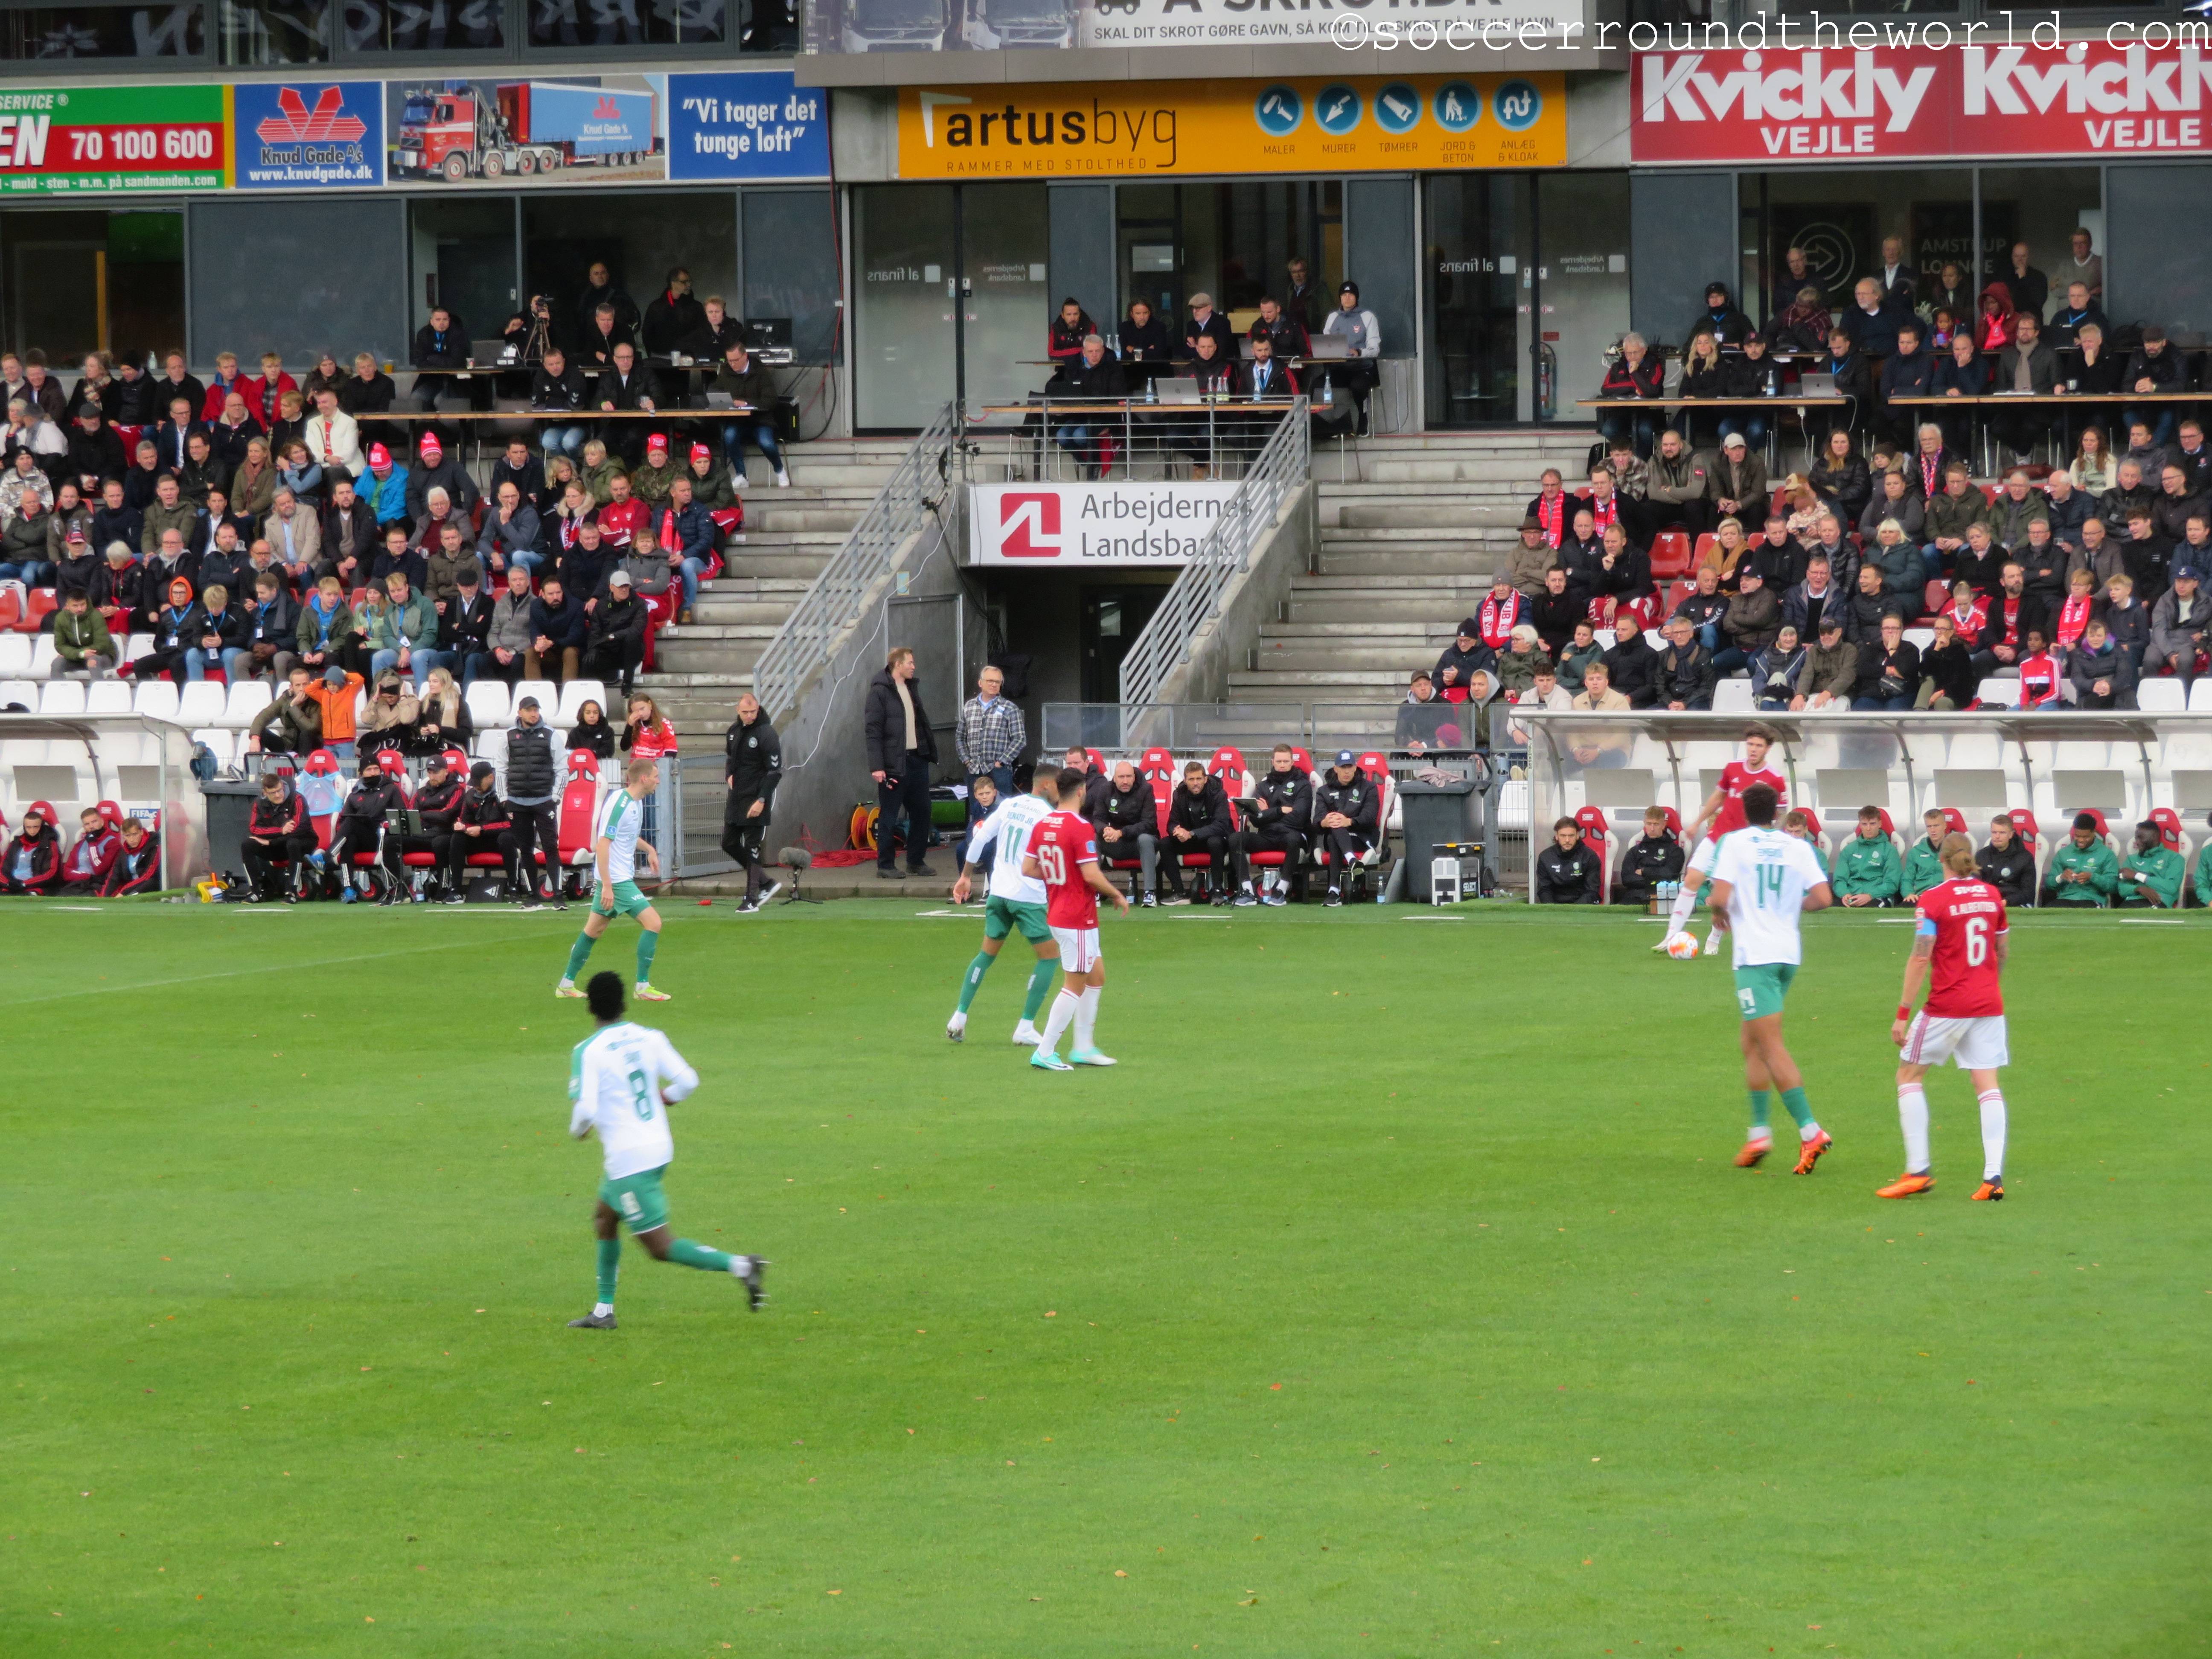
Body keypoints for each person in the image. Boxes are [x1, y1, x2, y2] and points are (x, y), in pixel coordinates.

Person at [564, 971, 765, 1332]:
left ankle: (742, 1266)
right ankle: (604, 1311)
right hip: (657, 1146)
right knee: (605, 1218)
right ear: (624, 1003)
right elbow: (688, 1081)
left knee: (659, 1246)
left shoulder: (588, 1051)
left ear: (590, 1007)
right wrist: (666, 1097)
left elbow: (586, 1112)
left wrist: (578, 1132)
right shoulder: (650, 1037)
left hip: (630, 1160)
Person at [1704, 783, 1836, 1173]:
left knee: (1771, 1045)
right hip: (1787, 955)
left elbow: (1719, 896)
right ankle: (1759, 1133)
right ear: (1777, 813)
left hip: (1755, 958)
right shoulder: (1797, 847)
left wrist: (1719, 913)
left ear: (1744, 811)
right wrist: (1790, 907)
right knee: (1752, 1043)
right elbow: (1824, 898)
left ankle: (1811, 1131)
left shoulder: (1735, 843)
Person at [1877, 832, 2012, 1202]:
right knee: (1987, 1084)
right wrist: (1987, 985)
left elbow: (1922, 956)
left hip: (1948, 1005)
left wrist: (1903, 1014)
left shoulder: (1933, 900)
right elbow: (2002, 950)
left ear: (1942, 860)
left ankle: (1918, 1171)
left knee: (1909, 1075)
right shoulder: (1992, 896)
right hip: (1988, 1003)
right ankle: (1993, 1177)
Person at [1019, 767, 1129, 1071]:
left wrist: (1060, 877)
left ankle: (1083, 1047)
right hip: (1076, 916)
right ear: (1081, 791)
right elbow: (1091, 874)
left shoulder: (1043, 824)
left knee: (1096, 977)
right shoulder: (1080, 827)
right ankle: (1045, 1051)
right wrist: (1116, 894)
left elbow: (1028, 868)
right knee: (1075, 984)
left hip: (1060, 911)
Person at [948, 771, 1061, 1046]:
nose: (1062, 791)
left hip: (999, 893)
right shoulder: (1048, 815)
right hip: (1028, 896)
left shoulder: (1009, 804)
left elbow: (980, 837)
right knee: (1049, 957)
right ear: (1047, 784)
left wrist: (965, 876)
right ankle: (1026, 1026)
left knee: (986, 954)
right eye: (1059, 785)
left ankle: (959, 1016)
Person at [1659, 723, 1786, 955]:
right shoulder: (1732, 769)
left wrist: (1772, 838)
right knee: (1692, 879)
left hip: (1746, 845)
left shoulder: (1775, 779)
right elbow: (1718, 797)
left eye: (1759, 745)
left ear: (1768, 748)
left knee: (1728, 895)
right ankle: (1670, 937)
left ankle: (1714, 939)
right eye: (1750, 744)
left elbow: (1780, 813)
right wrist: (1697, 823)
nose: (1753, 749)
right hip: (1718, 837)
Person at [557, 757, 671, 1001]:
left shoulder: (636, 803)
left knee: (593, 931)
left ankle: (566, 984)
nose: (658, 781)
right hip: (617, 881)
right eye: (656, 777)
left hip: (616, 878)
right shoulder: (620, 803)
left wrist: (649, 849)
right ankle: (642, 987)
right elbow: (603, 844)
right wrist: (607, 885)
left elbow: (627, 836)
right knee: (654, 923)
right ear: (644, 779)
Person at [721, 691, 783, 914]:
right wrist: (729, 775)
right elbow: (730, 758)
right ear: (738, 710)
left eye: (753, 712)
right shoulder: (733, 732)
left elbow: (775, 772)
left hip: (757, 797)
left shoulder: (767, 733)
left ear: (758, 709)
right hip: (737, 797)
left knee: (752, 846)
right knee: (728, 843)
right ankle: (766, 883)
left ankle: (751, 898)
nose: (750, 716)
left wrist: (762, 800)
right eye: (745, 712)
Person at [1230, 743, 1309, 906]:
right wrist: (1280, 811)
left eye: (1286, 761)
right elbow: (1255, 819)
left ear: (1292, 762)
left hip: (1290, 834)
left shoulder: (1303, 785)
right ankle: (1247, 891)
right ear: (1273, 762)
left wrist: (1267, 812)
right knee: (1235, 839)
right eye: (1279, 761)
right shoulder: (1264, 785)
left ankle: (1281, 890)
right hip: (1267, 835)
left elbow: (1299, 819)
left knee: (1294, 839)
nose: (1282, 765)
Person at [711, 339, 788, 487]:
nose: (732, 364)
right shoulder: (726, 372)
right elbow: (715, 390)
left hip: (761, 420)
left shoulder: (760, 372)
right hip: (737, 420)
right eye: (729, 361)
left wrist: (746, 403)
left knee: (766, 443)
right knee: (729, 436)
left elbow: (771, 400)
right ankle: (741, 475)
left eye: (735, 360)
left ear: (745, 356)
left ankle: (780, 471)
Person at [1161, 760, 1238, 904]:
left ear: (1206, 779)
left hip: (1215, 839)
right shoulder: (1179, 795)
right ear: (1185, 781)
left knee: (1215, 842)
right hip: (1191, 840)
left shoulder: (1219, 794)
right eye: (1191, 779)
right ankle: (1179, 892)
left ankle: (1217, 890)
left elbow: (1221, 825)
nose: (1196, 783)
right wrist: (1177, 831)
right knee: (1165, 844)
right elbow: (1172, 823)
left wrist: (1191, 834)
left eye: (1199, 779)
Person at [1311, 750, 1380, 908]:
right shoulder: (1324, 791)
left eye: (1350, 767)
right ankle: (1352, 861)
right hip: (1336, 837)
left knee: (1334, 835)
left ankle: (1333, 892)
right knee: (1335, 829)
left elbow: (1370, 817)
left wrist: (1349, 821)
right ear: (1336, 769)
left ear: (1355, 768)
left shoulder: (1369, 788)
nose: (1347, 771)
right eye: (1343, 767)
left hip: (1361, 837)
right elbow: (1317, 821)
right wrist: (1325, 822)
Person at [956, 664, 1025, 798]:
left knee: (1001, 808)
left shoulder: (1010, 708)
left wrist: (1002, 762)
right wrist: (967, 761)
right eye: (990, 681)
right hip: (974, 770)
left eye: (997, 682)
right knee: (977, 808)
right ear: (980, 683)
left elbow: (1020, 739)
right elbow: (960, 737)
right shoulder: (969, 706)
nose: (994, 685)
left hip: (999, 772)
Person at [1594, 332, 1663, 458]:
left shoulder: (1655, 365)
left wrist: (1634, 373)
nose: (1631, 357)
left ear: (1644, 351)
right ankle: (1628, 454)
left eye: (1635, 353)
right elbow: (1606, 389)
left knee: (1645, 431)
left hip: (1648, 413)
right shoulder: (1617, 367)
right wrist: (1632, 387)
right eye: (1628, 353)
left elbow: (1651, 391)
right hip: (1621, 413)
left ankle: (1644, 460)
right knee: (1609, 430)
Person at [2146, 563, 2208, 690]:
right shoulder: (2165, 600)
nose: (2181, 585)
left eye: (2186, 582)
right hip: (2163, 641)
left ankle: (2183, 697)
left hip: (2187, 642)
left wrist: (2204, 633)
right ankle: (2148, 696)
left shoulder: (2206, 602)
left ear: (2195, 584)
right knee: (2150, 659)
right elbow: (2159, 629)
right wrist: (2169, 654)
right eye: (2178, 581)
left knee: (2185, 660)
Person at [2040, 812, 2118, 907]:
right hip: (2065, 899)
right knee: (2047, 913)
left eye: (2086, 837)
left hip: (2092, 900)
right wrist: (2061, 877)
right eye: (2077, 836)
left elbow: (2113, 886)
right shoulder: (2063, 853)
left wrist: (2092, 877)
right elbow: (2049, 884)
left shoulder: (2107, 854)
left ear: (2094, 833)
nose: (2081, 840)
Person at [1615, 807, 1684, 908]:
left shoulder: (1675, 851)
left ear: (1663, 825)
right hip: (1634, 896)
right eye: (1649, 824)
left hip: (1663, 897)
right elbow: (1627, 879)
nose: (1652, 828)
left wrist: (1645, 872)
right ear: (1645, 824)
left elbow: (1670, 875)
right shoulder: (1634, 851)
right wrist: (1656, 879)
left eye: (1656, 824)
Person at [2115, 819, 2182, 909]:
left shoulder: (2175, 858)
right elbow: (2122, 889)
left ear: (2154, 837)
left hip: (2158, 901)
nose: (2137, 842)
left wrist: (2137, 876)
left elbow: (2171, 888)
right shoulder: (2131, 860)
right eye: (2136, 838)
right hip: (2131, 902)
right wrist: (2139, 889)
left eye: (2141, 838)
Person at [1534, 816, 1601, 904]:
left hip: (1583, 906)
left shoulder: (1590, 856)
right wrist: (1552, 909)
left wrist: (1574, 909)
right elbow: (1544, 889)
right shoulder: (1545, 857)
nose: (1567, 840)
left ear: (1578, 835)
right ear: (1557, 836)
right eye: (1563, 836)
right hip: (1555, 906)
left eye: (1571, 836)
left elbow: (1592, 891)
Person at [55, 805, 120, 895]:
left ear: (102, 822)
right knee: (61, 896)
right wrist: (89, 877)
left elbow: (99, 870)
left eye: (94, 822)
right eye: (87, 824)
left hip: (98, 886)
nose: (91, 826)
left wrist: (92, 844)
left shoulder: (113, 842)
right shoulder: (80, 845)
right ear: (84, 827)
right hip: (78, 884)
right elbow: (66, 872)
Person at [1975, 815, 2034, 909]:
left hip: (2016, 905)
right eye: (1994, 832)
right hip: (1988, 903)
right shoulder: (1981, 855)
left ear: (2011, 834)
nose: (1997, 836)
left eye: (2002, 833)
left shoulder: (2025, 858)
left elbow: (2029, 894)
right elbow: (1974, 886)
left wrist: (2007, 902)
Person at [2, 801, 61, 894]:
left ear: (42, 826)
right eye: (29, 827)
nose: (32, 831)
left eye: (36, 827)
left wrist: (25, 884)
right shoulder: (15, 844)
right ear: (24, 827)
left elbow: (51, 874)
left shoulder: (50, 845)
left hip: (36, 888)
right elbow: (2, 868)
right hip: (11, 886)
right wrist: (8, 884)